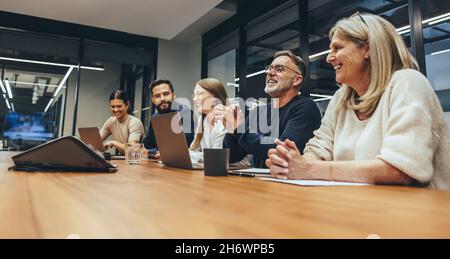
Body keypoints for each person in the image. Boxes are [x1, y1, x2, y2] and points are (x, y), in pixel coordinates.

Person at [266, 13, 450, 190]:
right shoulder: (341, 98)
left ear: (367, 48)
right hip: (361, 208)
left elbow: (401, 169)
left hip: (422, 214)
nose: (329, 58)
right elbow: (317, 150)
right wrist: (293, 163)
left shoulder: (407, 82)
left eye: (337, 48)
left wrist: (307, 169)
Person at [214, 50, 322, 168]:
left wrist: (239, 129)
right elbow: (232, 156)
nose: (270, 72)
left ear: (296, 80)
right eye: (270, 68)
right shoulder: (259, 111)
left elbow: (281, 153)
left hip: (286, 183)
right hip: (258, 182)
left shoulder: (306, 107)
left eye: (279, 69)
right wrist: (231, 129)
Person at [190, 78, 251, 167]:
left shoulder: (227, 118)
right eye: (194, 95)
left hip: (236, 171)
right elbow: (195, 149)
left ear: (215, 98)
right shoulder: (203, 120)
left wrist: (187, 155)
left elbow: (217, 154)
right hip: (215, 168)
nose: (195, 99)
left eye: (200, 94)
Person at [142, 79, 194, 155]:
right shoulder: (155, 117)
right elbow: (148, 145)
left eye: (166, 94)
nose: (162, 99)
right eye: (157, 96)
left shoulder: (186, 113)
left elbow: (184, 146)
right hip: (160, 163)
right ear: (153, 100)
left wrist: (152, 151)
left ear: (173, 95)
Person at [100, 90, 145, 154]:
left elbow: (132, 150)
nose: (115, 110)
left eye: (119, 106)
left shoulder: (134, 122)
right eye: (113, 107)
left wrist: (114, 142)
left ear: (127, 105)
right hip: (125, 159)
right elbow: (97, 140)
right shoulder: (111, 121)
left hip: (140, 160)